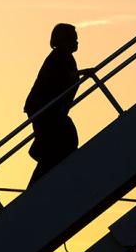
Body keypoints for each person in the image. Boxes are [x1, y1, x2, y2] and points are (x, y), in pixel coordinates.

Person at [24, 23, 89, 183]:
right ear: (63, 40)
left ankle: (41, 181)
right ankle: (38, 184)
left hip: (47, 110)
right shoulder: (59, 57)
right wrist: (77, 75)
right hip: (43, 110)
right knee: (62, 142)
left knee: (56, 147)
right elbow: (57, 81)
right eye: (73, 39)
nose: (77, 42)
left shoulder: (63, 57)